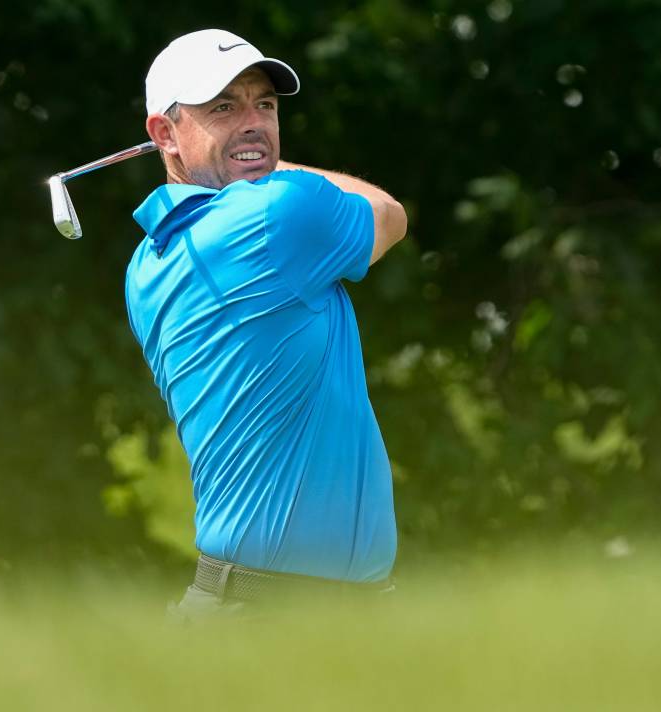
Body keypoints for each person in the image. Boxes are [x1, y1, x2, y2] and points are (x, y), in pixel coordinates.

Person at [124, 29, 408, 619]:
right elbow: (389, 215)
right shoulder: (277, 215)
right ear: (164, 133)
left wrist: (237, 155)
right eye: (223, 107)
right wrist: (264, 165)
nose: (253, 121)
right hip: (272, 617)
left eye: (266, 106)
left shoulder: (146, 262)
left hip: (252, 605)